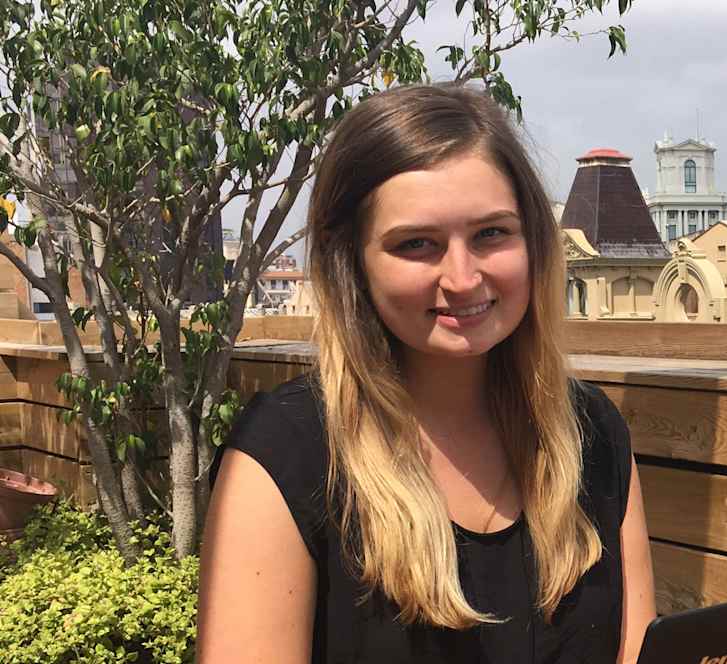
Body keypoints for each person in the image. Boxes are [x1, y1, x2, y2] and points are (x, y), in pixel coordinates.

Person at [197, 83, 655, 663]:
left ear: (534, 241)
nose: (463, 278)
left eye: (491, 233)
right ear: (352, 263)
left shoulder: (592, 433)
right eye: (417, 244)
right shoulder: (287, 453)